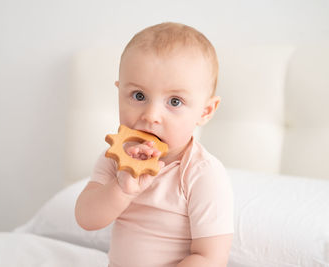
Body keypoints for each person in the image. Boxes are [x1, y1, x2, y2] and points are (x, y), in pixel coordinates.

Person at [75, 22, 233, 267]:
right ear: (119, 93)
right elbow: (86, 218)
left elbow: (210, 257)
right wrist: (121, 188)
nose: (151, 115)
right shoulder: (115, 158)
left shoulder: (201, 173)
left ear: (205, 111)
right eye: (139, 96)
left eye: (175, 101)